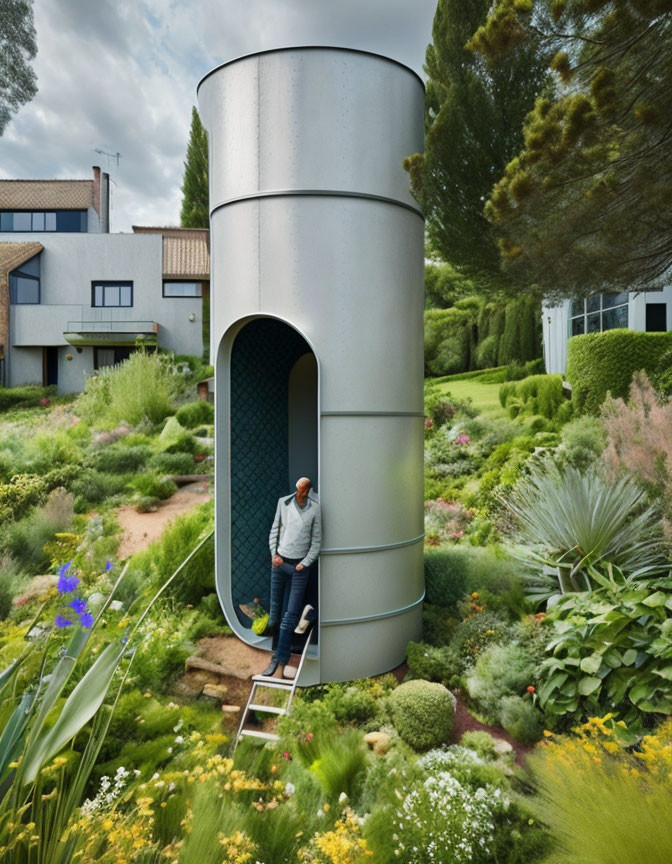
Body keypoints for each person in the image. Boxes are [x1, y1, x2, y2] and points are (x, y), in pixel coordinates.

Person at [261, 477, 320, 677]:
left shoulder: (315, 508)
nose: (300, 493)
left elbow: (316, 540)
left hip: (300, 568)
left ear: (308, 491)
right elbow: (274, 530)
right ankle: (277, 656)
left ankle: (280, 658)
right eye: (298, 490)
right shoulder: (283, 503)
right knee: (276, 612)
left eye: (303, 491)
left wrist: (306, 563)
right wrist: (273, 555)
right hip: (280, 563)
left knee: (290, 616)